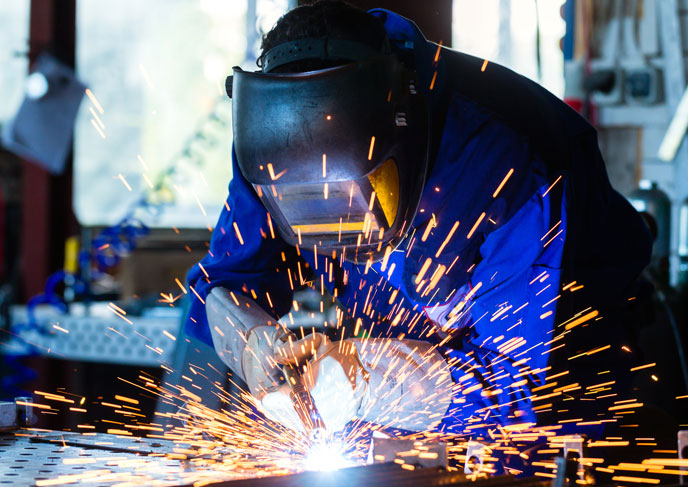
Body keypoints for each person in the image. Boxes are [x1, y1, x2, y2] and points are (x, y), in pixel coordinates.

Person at [185, 1, 652, 438]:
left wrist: (367, 380)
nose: (335, 229)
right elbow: (224, 285)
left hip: (564, 361)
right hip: (401, 363)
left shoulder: (503, 164)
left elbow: (517, 391)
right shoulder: (269, 149)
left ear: (398, 140)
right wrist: (253, 346)